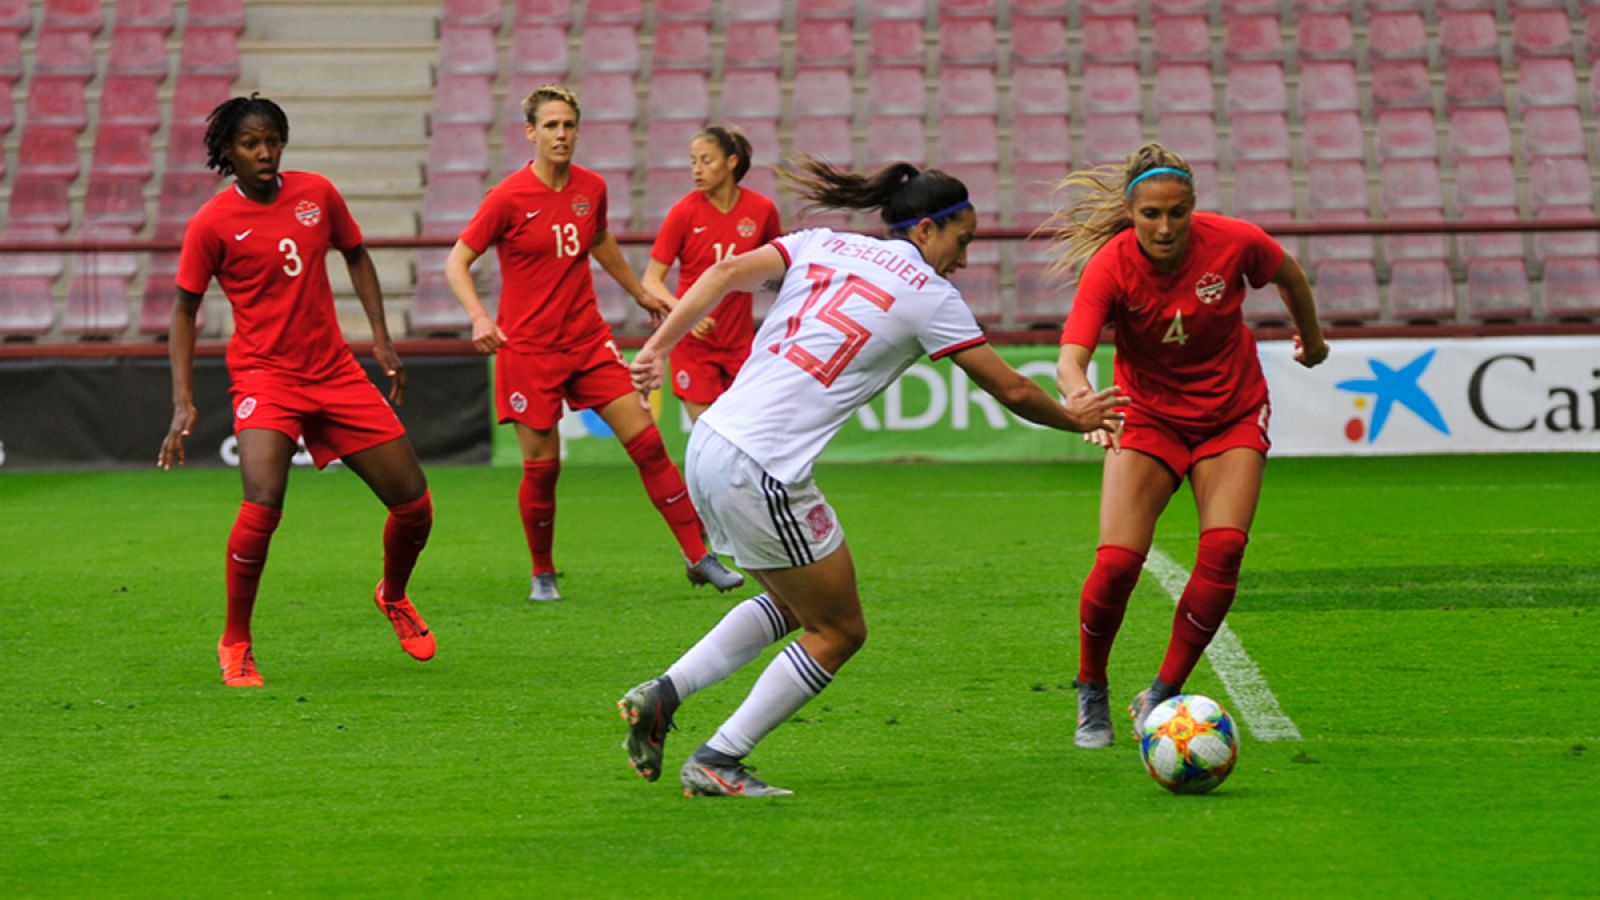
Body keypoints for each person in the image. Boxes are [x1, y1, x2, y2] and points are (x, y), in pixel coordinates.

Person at [617, 157, 1129, 797]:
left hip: (712, 441)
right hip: (763, 466)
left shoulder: (823, 243)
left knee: (797, 602)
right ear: (926, 231)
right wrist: (1072, 416)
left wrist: (657, 346)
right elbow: (1013, 388)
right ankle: (720, 758)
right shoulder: (931, 297)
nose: (965, 259)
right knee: (839, 630)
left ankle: (664, 695)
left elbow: (722, 273)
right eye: (962, 240)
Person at [1043, 142, 1329, 748]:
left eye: (1177, 212)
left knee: (1223, 550)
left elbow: (1290, 276)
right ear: (1132, 211)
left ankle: (1165, 691)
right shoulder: (1111, 266)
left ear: (1193, 207)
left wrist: (1314, 340)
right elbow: (1071, 358)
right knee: (1118, 562)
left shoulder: (1236, 241)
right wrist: (1082, 398)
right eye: (1151, 214)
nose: (1165, 226)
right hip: (1147, 419)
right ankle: (1091, 687)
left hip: (1231, 414)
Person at [159, 94, 436, 688]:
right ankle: (235, 642)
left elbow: (357, 256)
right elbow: (183, 311)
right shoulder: (211, 222)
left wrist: (381, 340)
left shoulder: (317, 194)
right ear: (227, 152)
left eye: (272, 141)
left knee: (414, 505)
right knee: (262, 502)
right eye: (250, 144)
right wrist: (184, 401)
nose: (264, 153)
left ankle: (393, 593)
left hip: (333, 370)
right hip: (266, 377)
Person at [444, 84, 743, 602]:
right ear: (531, 133)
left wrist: (642, 294)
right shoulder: (507, 198)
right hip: (529, 350)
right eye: (551, 126)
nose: (561, 135)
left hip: (586, 340)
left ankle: (699, 555)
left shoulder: (591, 188)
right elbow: (457, 261)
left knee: (648, 443)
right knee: (543, 469)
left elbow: (599, 240)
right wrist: (477, 317)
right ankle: (543, 572)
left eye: (568, 125)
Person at [640, 125, 782, 423]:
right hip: (693, 348)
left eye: (707, 160)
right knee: (708, 434)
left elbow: (780, 269)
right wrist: (685, 312)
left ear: (731, 162)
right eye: (693, 161)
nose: (697, 170)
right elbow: (651, 280)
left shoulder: (762, 210)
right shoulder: (683, 213)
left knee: (745, 434)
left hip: (740, 343)